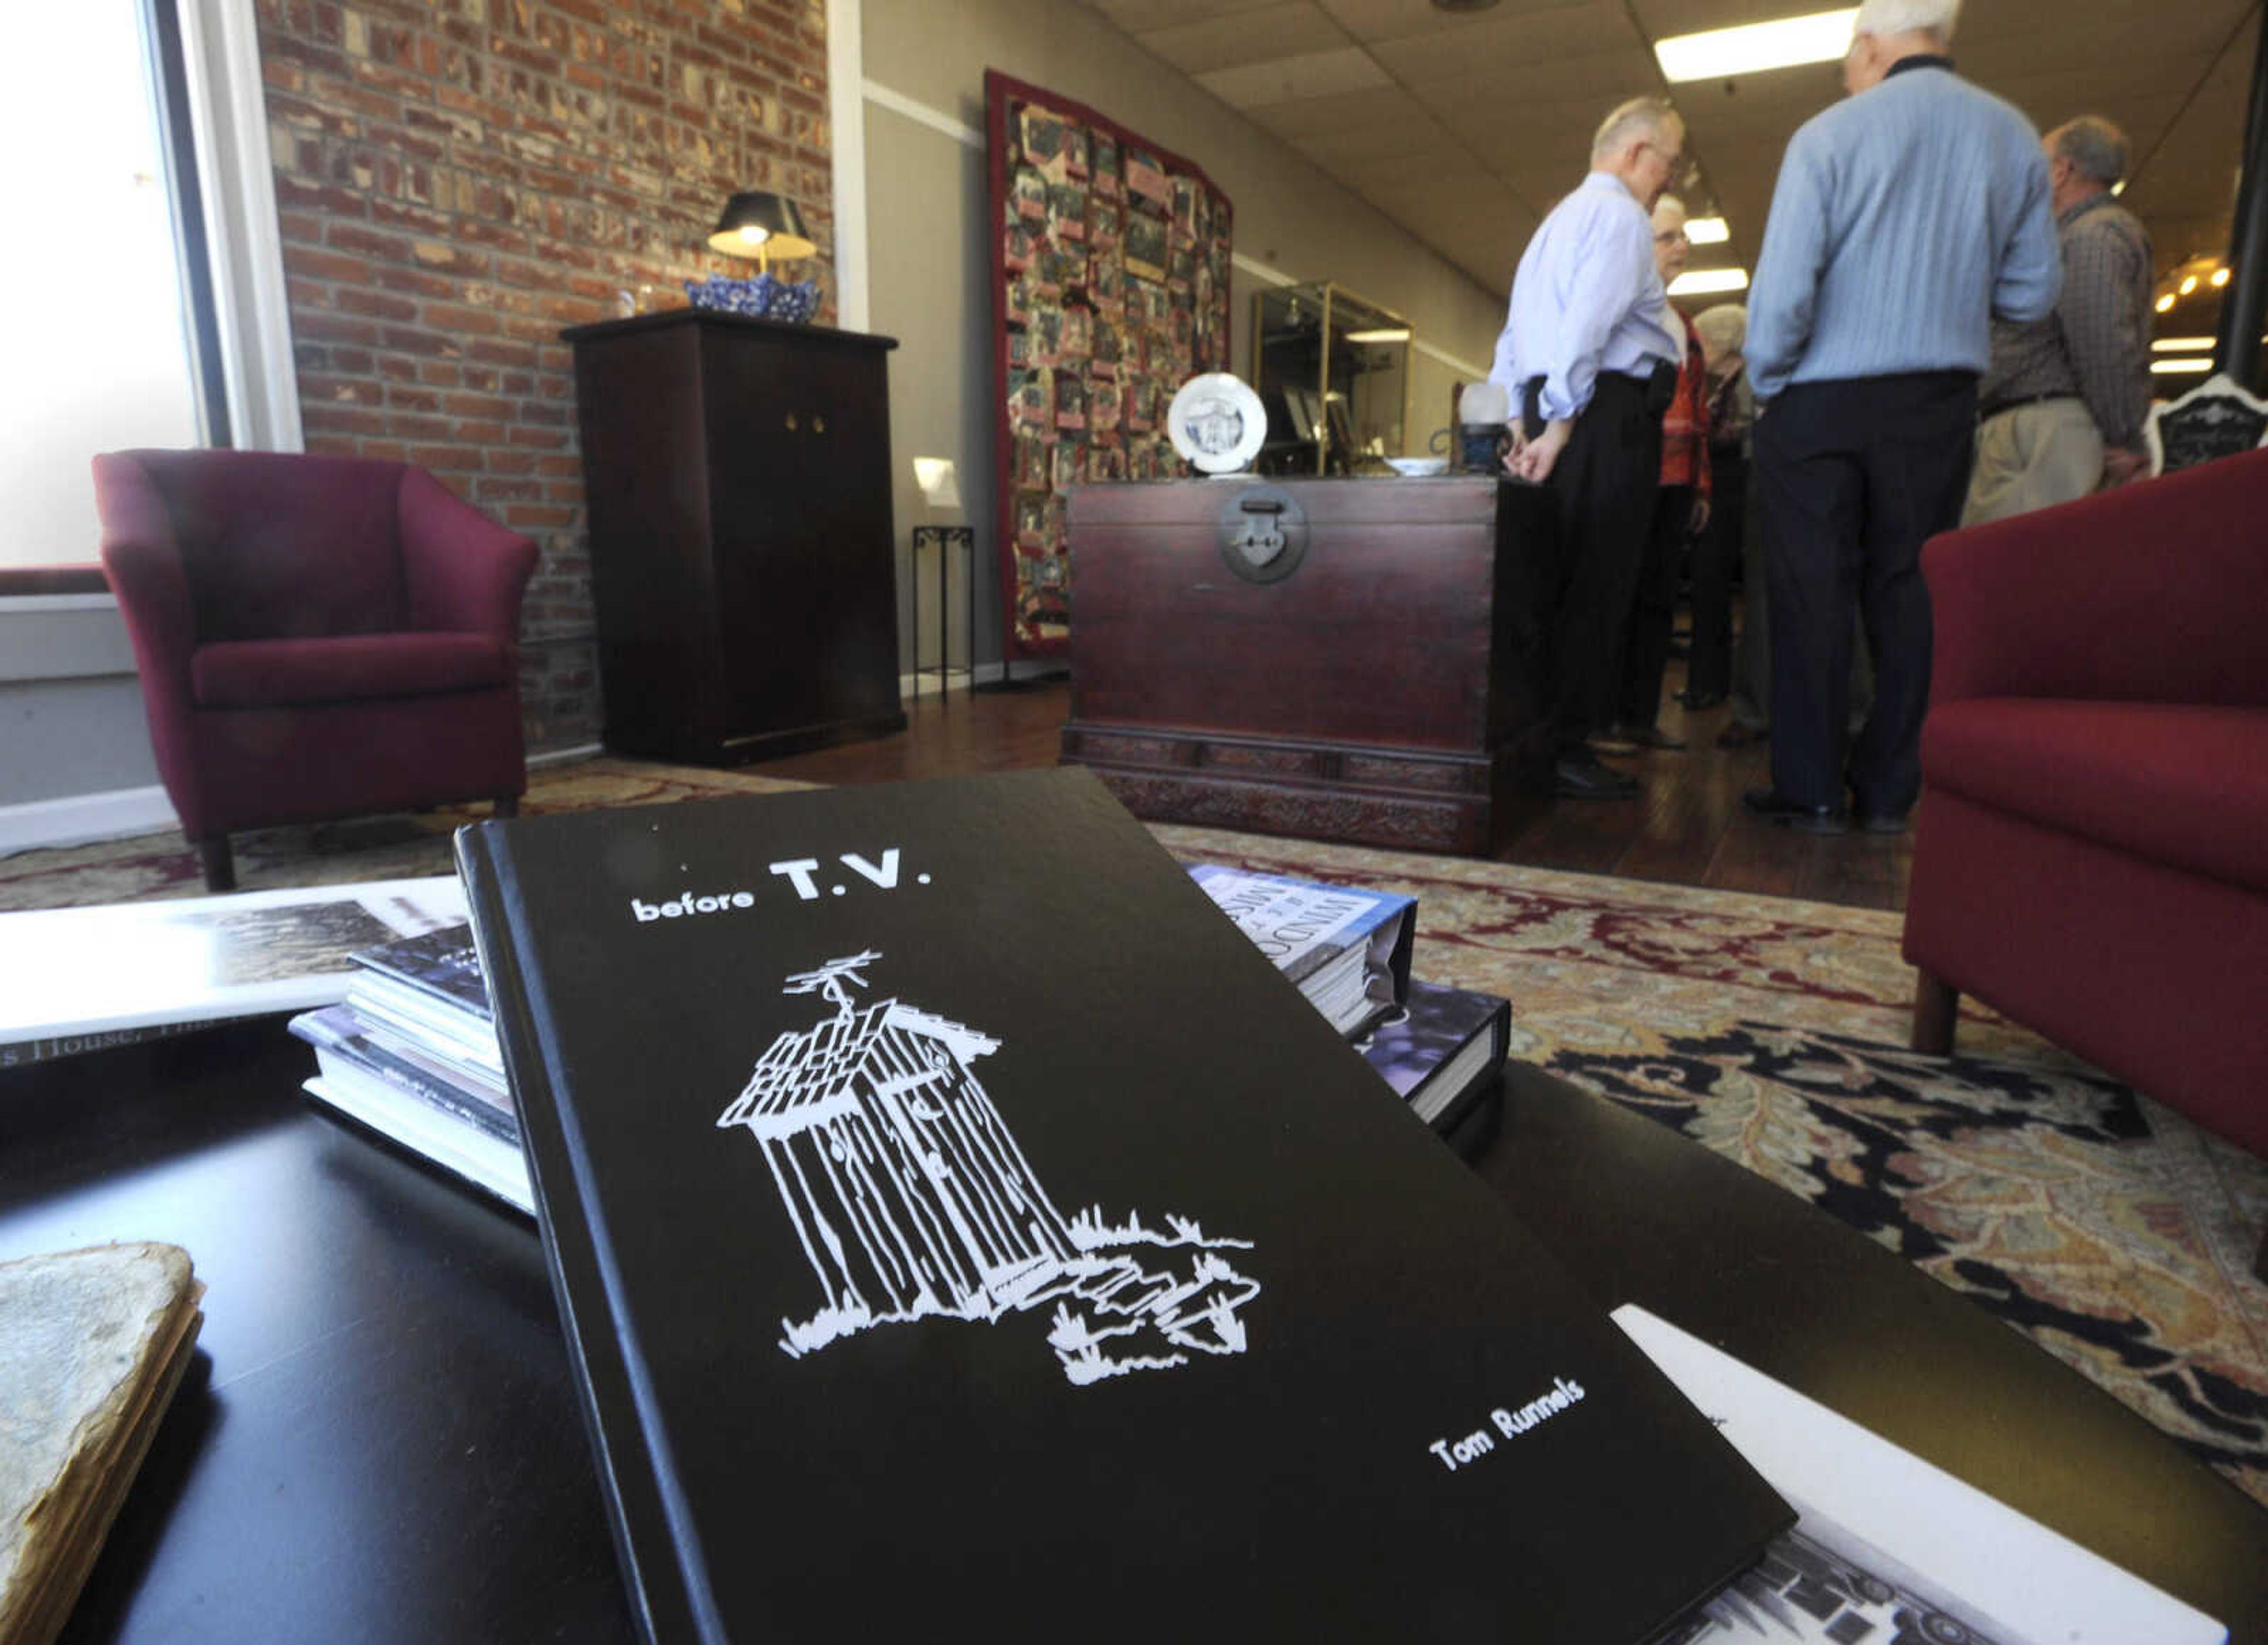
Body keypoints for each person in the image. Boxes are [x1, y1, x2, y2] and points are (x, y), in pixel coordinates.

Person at [1742, 0, 2060, 835]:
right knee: (1908, 588)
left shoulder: (1830, 134)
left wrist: (1768, 382)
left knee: (1810, 589)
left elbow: (1782, 293)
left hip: (1817, 397)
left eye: (1847, 58)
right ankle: (1887, 790)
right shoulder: (2013, 135)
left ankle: (1808, 785)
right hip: (1937, 397)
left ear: (1869, 46)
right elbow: (2032, 294)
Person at [1489, 96, 1687, 799]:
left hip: (1552, 403)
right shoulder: (1621, 217)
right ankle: (1567, 746)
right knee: (1597, 581)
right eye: (1670, 162)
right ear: (1638, 154)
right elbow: (1588, 330)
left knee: (1550, 578)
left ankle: (1540, 736)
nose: (1670, 178)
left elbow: (1515, 338)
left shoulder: (1554, 224)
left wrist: (1521, 419)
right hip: (1600, 414)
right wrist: (1565, 426)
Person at [1963, 115, 2154, 523]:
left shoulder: (2093, 235)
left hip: (2052, 431)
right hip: (2035, 429)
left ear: (2061, 171)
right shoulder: (2066, 237)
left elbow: (2101, 339)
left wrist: (2123, 437)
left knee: (2031, 571)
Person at [1600, 195, 1711, 752]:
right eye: (1669, 238)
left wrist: (1701, 485)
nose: (1682, 248)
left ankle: (1641, 717)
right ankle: (1605, 718)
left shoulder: (1684, 325)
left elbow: (1703, 414)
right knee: (1617, 593)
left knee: (1659, 599)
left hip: (1676, 482)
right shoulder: (1623, 309)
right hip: (1630, 474)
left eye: (1683, 237)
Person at [1684, 303, 1749, 718]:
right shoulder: (1722, 384)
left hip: (1738, 489)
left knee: (1714, 582)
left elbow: (1732, 435)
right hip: (1722, 489)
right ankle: (1708, 681)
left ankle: (1711, 684)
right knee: (1709, 588)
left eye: (1704, 341)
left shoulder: (1749, 383)